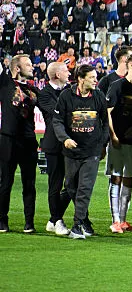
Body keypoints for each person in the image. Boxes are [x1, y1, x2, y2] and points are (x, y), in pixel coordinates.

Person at [52, 65, 110, 240]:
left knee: (84, 188)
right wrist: (65, 138)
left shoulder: (98, 96)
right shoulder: (66, 96)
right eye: (92, 77)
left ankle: (77, 226)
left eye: (95, 77)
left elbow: (105, 122)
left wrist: (102, 143)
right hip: (71, 151)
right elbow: (57, 120)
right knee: (71, 187)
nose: (95, 80)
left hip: (91, 151)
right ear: (81, 79)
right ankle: (77, 219)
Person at [104, 53, 132, 233]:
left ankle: (123, 220)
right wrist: (113, 136)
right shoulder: (117, 86)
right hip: (119, 140)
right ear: (130, 66)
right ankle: (115, 220)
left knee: (129, 178)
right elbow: (107, 112)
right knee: (116, 177)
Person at [0, 54, 39, 233]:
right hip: (8, 139)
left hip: (29, 141)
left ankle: (29, 222)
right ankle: (2, 221)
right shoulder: (5, 84)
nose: (32, 67)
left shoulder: (33, 88)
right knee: (5, 182)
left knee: (29, 184)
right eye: (28, 64)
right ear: (17, 68)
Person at [39, 62, 71, 236]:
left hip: (70, 143)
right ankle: (57, 220)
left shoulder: (69, 90)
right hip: (53, 145)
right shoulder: (44, 94)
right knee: (55, 184)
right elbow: (57, 112)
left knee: (73, 184)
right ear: (57, 75)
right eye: (66, 70)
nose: (69, 72)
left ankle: (53, 219)